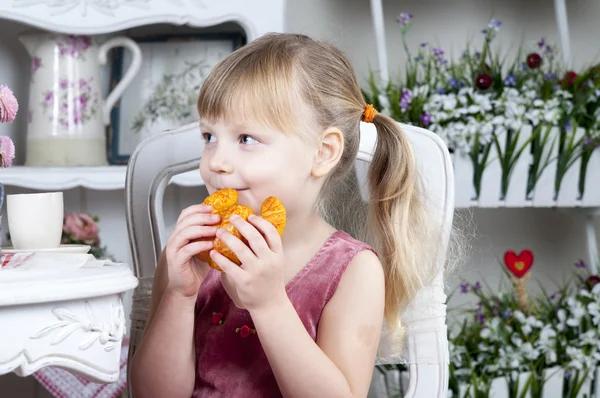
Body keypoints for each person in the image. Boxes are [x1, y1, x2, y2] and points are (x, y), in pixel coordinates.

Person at [130, 32, 437, 397]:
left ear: (323, 152)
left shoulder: (352, 270)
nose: (216, 162)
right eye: (209, 136)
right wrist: (178, 297)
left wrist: (269, 304)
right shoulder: (189, 256)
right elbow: (152, 393)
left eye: (246, 139)